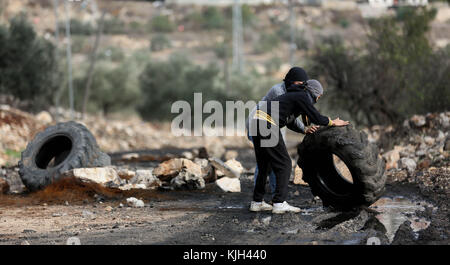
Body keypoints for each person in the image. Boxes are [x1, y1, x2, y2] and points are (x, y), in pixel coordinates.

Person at [248, 77, 349, 214]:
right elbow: (316, 117)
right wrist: (332, 122)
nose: (318, 98)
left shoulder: (292, 96)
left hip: (257, 123)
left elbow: (289, 121)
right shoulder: (302, 96)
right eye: (319, 95)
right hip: (266, 124)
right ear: (314, 92)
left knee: (265, 164)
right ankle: (279, 203)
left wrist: (305, 130)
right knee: (284, 164)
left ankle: (257, 202)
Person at [246, 67, 319, 212]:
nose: (303, 86)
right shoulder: (279, 91)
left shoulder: (292, 92)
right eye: (301, 82)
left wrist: (303, 129)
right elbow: (288, 117)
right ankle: (278, 200)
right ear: (293, 81)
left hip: (263, 124)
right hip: (261, 125)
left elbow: (289, 117)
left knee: (267, 162)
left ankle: (260, 201)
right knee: (278, 162)